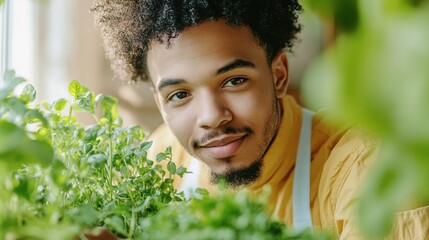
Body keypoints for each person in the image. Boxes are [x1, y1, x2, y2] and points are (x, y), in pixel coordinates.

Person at [91, 0, 429, 238]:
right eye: (180, 95)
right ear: (160, 103)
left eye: (234, 80)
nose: (212, 118)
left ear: (279, 74)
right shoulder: (159, 164)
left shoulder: (364, 167)